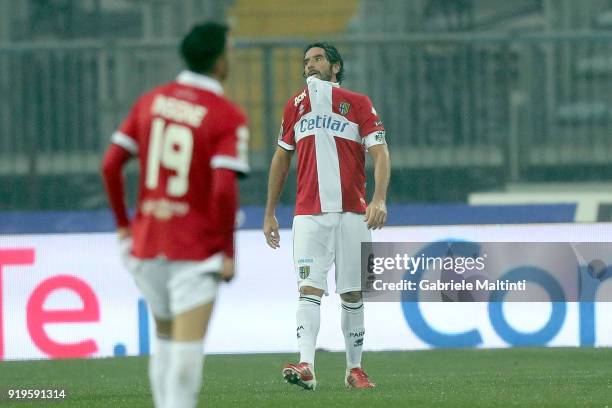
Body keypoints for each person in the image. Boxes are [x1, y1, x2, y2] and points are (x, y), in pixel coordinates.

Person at [101, 22, 249, 408]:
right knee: (186, 360)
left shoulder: (150, 101)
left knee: (164, 345)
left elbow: (110, 165)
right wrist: (227, 250)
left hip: (149, 246)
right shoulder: (225, 115)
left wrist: (123, 228)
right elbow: (223, 189)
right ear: (219, 60)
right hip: (195, 252)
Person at [263, 42, 390, 390]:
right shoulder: (295, 107)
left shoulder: (358, 103)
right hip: (309, 215)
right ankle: (306, 365)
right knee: (309, 288)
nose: (309, 65)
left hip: (353, 213)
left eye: (317, 58)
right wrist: (270, 212)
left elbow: (380, 153)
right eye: (305, 61)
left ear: (335, 66)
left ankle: (354, 369)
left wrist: (378, 199)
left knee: (352, 293)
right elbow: (281, 158)